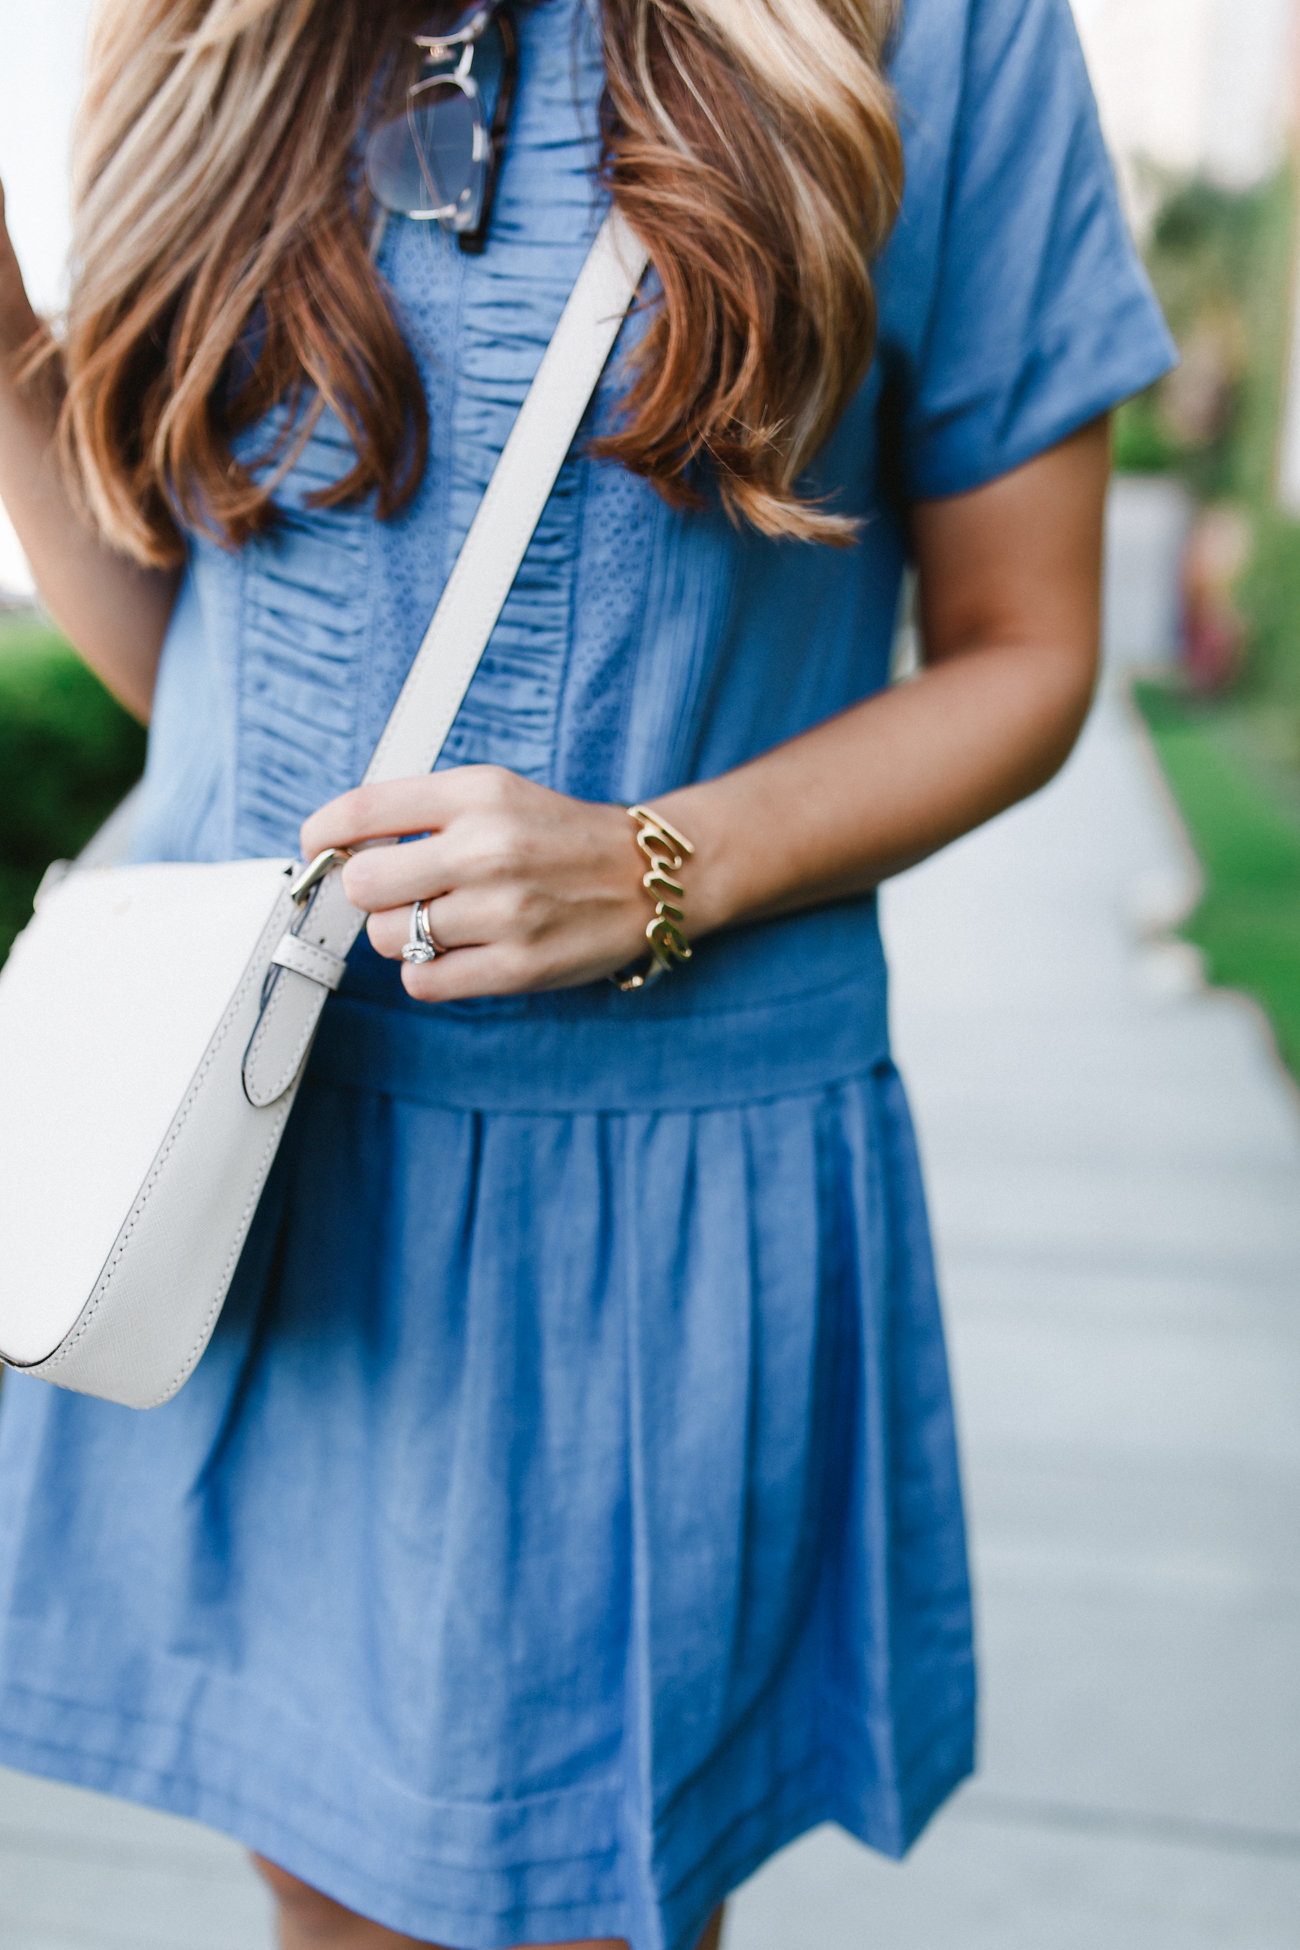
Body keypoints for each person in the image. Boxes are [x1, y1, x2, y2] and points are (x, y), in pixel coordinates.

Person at [0, 1, 1173, 1946]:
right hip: (235, 1172)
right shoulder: (216, 26)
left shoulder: (927, 28)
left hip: (612, 1208)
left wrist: (652, 868)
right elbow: (206, 683)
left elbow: (1021, 644)